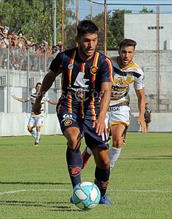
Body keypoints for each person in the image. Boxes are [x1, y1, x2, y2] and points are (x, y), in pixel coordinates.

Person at [32, 20, 113, 205]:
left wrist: (102, 117)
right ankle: (77, 190)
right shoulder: (64, 58)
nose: (91, 45)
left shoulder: (103, 62)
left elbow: (107, 90)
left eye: (94, 40)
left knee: (104, 160)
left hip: (93, 111)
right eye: (86, 40)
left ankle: (101, 193)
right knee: (74, 137)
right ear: (77, 39)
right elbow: (50, 77)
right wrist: (38, 100)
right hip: (69, 107)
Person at [81, 39, 146, 169]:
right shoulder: (107, 63)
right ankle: (87, 154)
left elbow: (141, 96)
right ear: (118, 51)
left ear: (133, 53)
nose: (126, 55)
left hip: (121, 104)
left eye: (129, 52)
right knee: (100, 140)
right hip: (102, 103)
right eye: (123, 52)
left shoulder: (137, 72)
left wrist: (141, 116)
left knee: (118, 141)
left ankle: (106, 171)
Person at [12, 82, 56, 147]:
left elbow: (51, 101)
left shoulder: (43, 96)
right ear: (35, 88)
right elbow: (24, 100)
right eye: (38, 87)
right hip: (33, 115)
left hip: (40, 115)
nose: (39, 88)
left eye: (40, 87)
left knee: (38, 126)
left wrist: (59, 102)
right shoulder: (32, 95)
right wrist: (16, 97)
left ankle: (37, 142)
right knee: (29, 129)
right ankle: (37, 137)